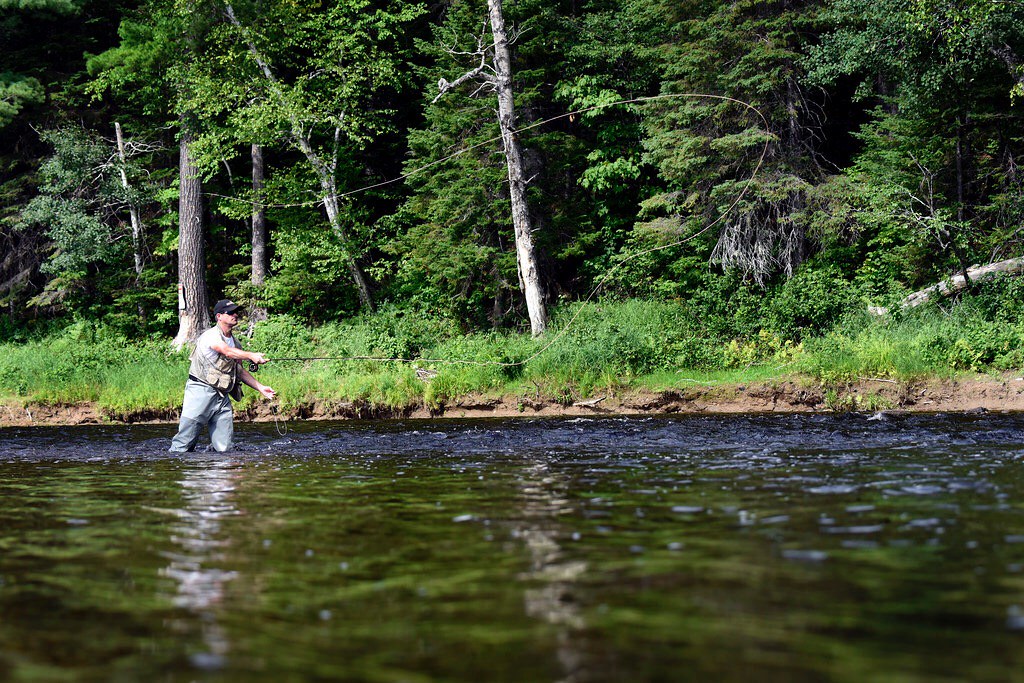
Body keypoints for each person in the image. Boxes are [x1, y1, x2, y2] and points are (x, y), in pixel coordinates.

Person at [169, 299, 276, 452]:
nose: (235, 315)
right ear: (219, 316)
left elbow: (238, 371)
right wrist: (251, 355)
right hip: (199, 392)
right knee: (184, 445)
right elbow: (226, 351)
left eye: (236, 312)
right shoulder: (210, 336)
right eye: (231, 312)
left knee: (224, 449)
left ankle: (223, 473)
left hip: (221, 396)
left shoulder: (236, 344)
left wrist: (261, 388)